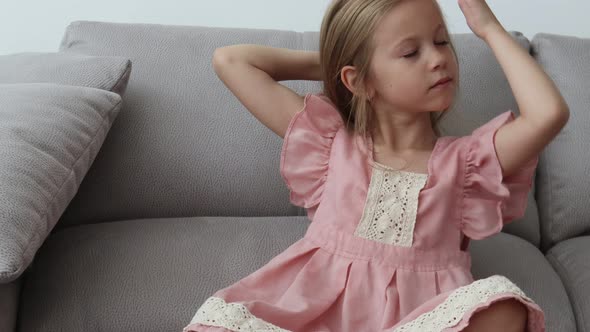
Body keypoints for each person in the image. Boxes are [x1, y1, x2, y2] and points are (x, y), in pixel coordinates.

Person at [184, 0, 569, 331]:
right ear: (359, 79)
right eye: (409, 52)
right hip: (313, 316)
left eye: (441, 42)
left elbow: (548, 114)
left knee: (502, 304)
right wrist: (347, 64)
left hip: (421, 319)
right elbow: (231, 60)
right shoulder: (331, 144)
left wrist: (488, 28)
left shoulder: (468, 163)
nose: (438, 59)